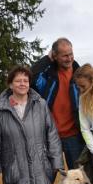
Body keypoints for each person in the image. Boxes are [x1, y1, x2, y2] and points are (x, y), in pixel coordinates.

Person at [31, 37, 83, 172]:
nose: (69, 58)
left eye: (71, 54)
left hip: (74, 136)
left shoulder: (81, 75)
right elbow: (31, 77)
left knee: (79, 178)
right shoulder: (48, 75)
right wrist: (47, 59)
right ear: (55, 56)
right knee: (47, 178)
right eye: (65, 55)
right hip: (50, 136)